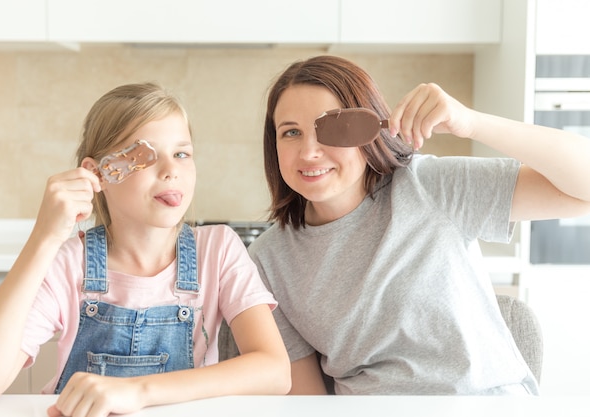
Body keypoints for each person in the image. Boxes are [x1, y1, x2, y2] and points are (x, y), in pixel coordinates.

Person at [248, 55, 590, 395]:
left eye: (331, 128)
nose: (309, 152)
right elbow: (308, 400)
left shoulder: (429, 186)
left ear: (367, 130)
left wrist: (471, 123)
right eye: (291, 132)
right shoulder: (267, 260)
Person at [0, 82, 291, 417]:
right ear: (99, 175)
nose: (171, 170)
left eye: (181, 154)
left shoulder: (218, 250)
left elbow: (275, 371)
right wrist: (44, 238)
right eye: (145, 156)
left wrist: (137, 391)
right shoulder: (69, 264)